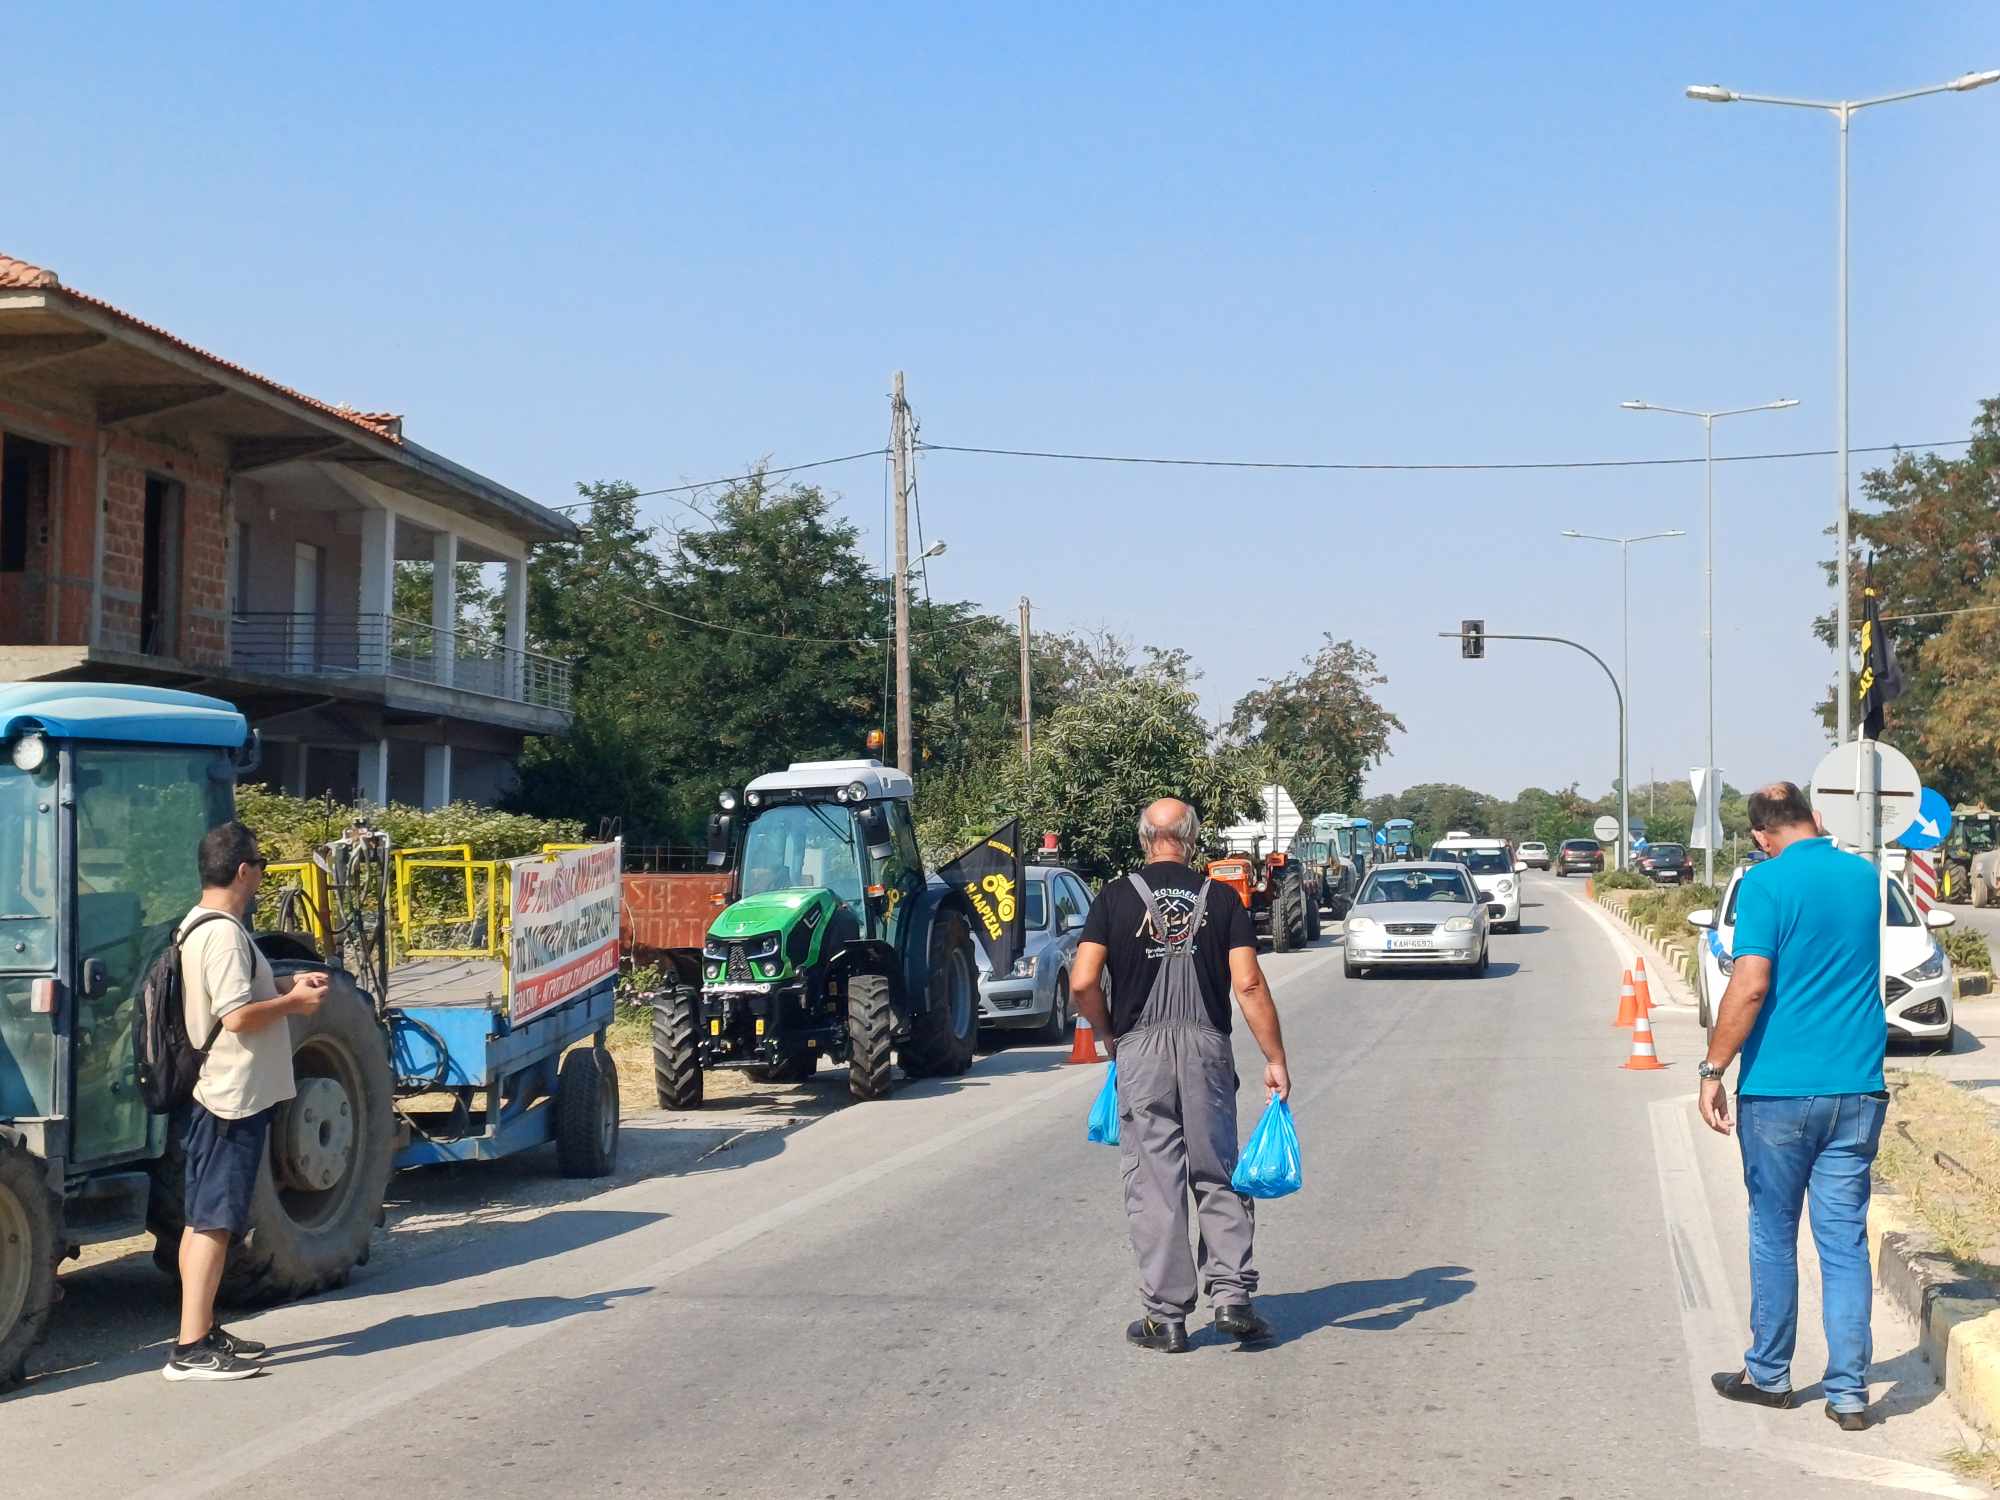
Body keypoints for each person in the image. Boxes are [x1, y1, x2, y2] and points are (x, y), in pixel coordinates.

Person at [1696, 781, 1888, 1431]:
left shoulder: (1766, 883)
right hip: (1859, 1089)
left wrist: (1712, 1068)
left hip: (1779, 1092)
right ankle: (1850, 1394)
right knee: (1843, 1242)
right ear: (1818, 817)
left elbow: (1750, 986)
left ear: (1760, 836)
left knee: (1773, 1233)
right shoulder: (1865, 878)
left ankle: (1770, 1374)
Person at [1071, 797, 1291, 1354]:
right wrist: (1275, 1058)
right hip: (1207, 1050)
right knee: (1218, 1171)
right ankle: (1233, 1297)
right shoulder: (1221, 898)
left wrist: (1107, 1033)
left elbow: (1082, 981)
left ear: (1145, 838)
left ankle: (1165, 1319)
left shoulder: (1115, 897)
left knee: (1155, 1180)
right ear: (1191, 839)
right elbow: (1247, 985)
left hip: (1141, 1050)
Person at [165, 822, 329, 1383]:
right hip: (231, 1096)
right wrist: (293, 1005)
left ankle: (202, 1328)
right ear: (243, 871)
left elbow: (232, 1003)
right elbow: (234, 1016)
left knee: (200, 1218)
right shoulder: (225, 934)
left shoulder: (198, 926)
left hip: (218, 1090)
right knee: (216, 1220)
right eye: (258, 862)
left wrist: (284, 989)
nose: (261, 872)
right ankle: (189, 1350)